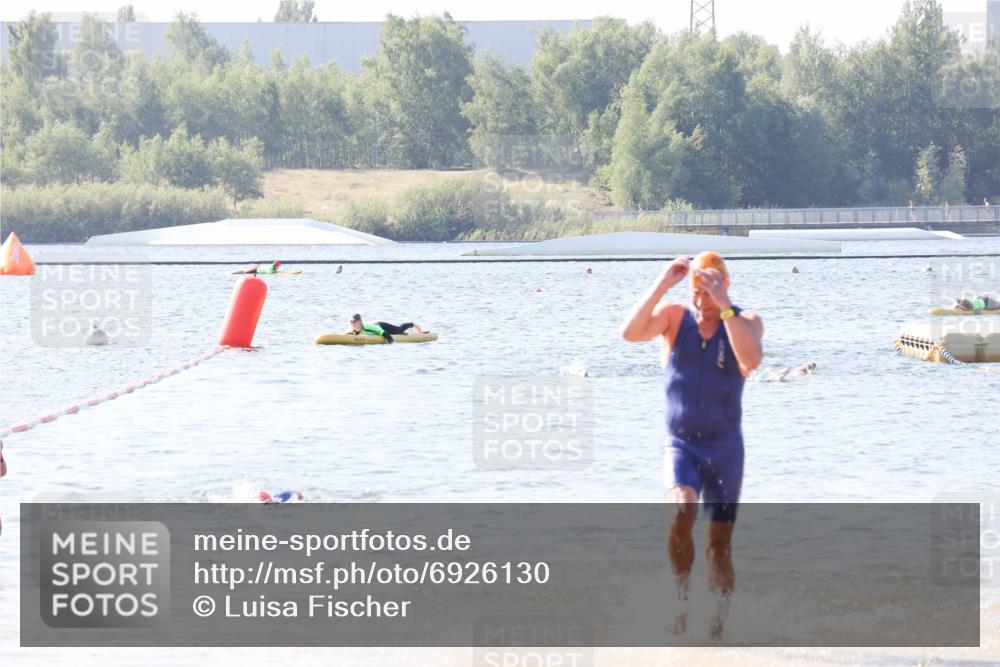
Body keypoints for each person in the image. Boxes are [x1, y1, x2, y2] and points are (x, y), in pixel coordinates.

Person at [621, 251, 764, 639]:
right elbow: (630, 333)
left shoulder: (745, 321)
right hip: (681, 445)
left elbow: (750, 361)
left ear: (725, 286)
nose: (701, 296)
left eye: (711, 287)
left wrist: (726, 307)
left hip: (725, 451)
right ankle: (680, 599)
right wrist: (663, 282)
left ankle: (718, 627)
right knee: (682, 508)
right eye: (697, 288)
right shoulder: (674, 318)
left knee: (719, 548)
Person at [349, 314, 421, 343]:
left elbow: (386, 335)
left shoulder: (369, 328)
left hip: (382, 327)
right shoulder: (353, 330)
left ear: (360, 322)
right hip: (376, 326)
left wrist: (394, 343)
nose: (353, 324)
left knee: (399, 330)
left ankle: (412, 325)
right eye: (352, 322)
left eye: (355, 322)